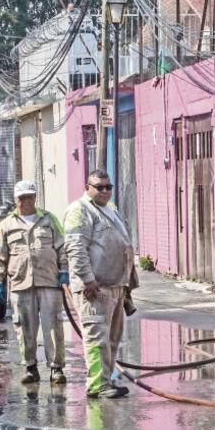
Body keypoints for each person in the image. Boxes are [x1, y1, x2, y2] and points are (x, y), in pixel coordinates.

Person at [64, 170, 137, 399]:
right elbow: (75, 247)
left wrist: (127, 283)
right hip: (95, 288)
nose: (105, 191)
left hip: (116, 285)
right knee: (97, 338)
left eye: (108, 186)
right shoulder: (80, 210)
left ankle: (107, 380)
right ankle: (97, 385)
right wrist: (88, 279)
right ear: (88, 187)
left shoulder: (111, 209)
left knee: (112, 339)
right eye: (99, 187)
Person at [0, 180, 68, 385]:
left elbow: (62, 247)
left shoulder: (50, 220)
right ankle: (30, 367)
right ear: (15, 199)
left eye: (29, 197)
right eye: (21, 197)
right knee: (24, 327)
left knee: (53, 326)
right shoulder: (6, 225)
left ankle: (56, 369)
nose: (25, 201)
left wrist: (65, 271)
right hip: (20, 283)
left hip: (49, 281)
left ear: (35, 197)